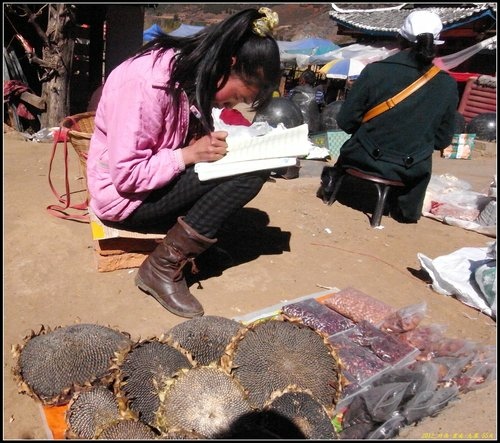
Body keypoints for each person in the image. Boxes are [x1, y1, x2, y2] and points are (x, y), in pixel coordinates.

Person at [86, 8, 281, 318]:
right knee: (248, 174)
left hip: (153, 186)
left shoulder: (190, 73)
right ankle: (161, 268)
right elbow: (126, 176)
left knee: (247, 163)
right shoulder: (146, 83)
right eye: (235, 97)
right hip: (125, 200)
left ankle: (186, 248)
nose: (227, 105)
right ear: (228, 64)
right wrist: (188, 155)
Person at [319, 10, 458, 223]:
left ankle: (335, 186)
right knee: (421, 159)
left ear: (400, 38)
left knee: (350, 148)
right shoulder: (447, 84)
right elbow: (442, 140)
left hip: (363, 157)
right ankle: (405, 211)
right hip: (411, 169)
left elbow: (346, 121)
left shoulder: (375, 71)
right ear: (437, 44)